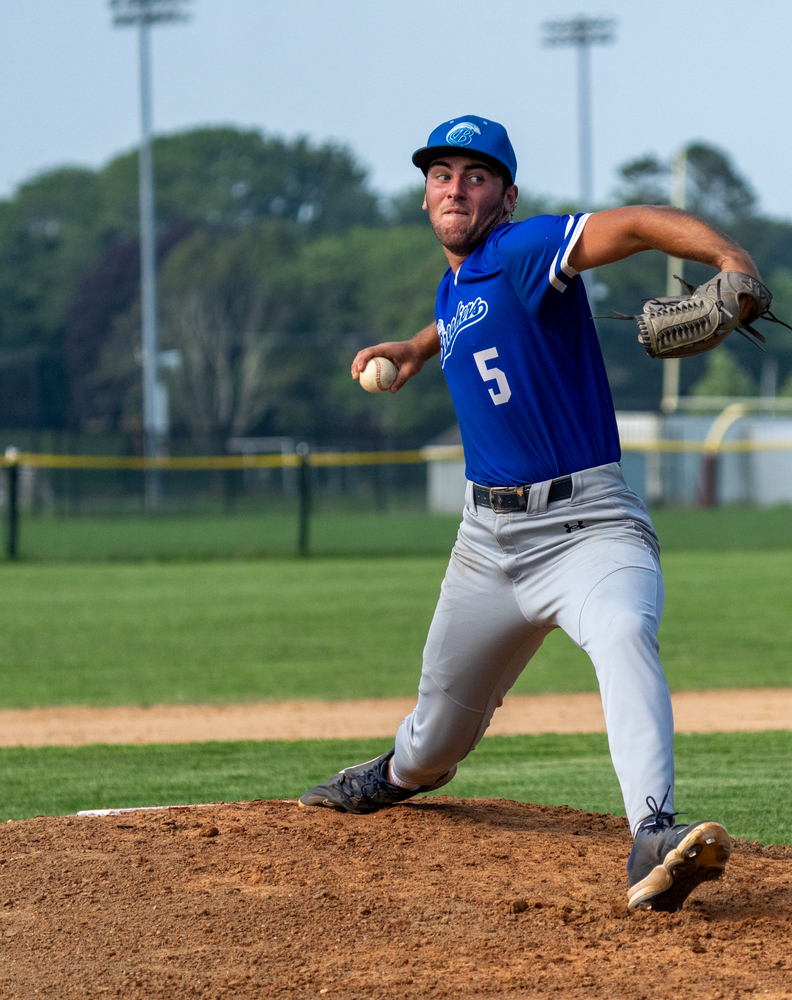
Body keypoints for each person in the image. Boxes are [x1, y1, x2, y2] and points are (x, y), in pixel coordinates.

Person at [300, 115, 762, 912]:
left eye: (476, 176)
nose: (456, 186)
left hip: (590, 529)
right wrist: (416, 348)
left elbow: (637, 224)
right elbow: (462, 315)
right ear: (424, 197)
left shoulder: (520, 251)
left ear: (505, 197)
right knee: (434, 739)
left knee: (622, 633)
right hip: (488, 545)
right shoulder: (462, 283)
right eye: (442, 174)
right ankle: (397, 775)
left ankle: (653, 835)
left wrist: (731, 260)